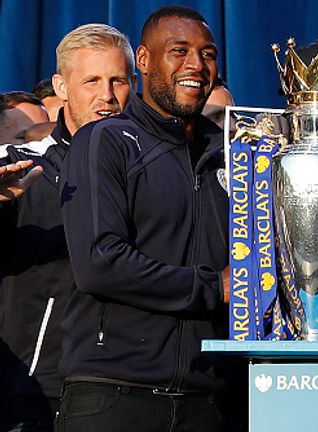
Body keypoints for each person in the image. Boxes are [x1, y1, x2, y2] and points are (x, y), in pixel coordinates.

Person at [57, 6, 232, 432]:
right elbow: (101, 262)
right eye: (179, 51)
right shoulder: (106, 141)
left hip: (209, 400)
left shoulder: (232, 156)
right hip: (113, 395)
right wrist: (214, 287)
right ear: (145, 61)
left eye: (207, 54)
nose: (196, 65)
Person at [0, 23, 134, 432]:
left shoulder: (155, 168)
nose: (106, 96)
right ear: (61, 85)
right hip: (32, 393)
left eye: (118, 80)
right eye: (91, 80)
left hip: (129, 388)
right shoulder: (19, 163)